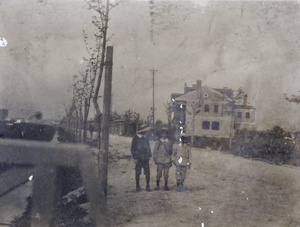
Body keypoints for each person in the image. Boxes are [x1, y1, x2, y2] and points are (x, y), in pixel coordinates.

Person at [131, 123, 152, 192]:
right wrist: (134, 158)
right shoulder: (135, 138)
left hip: (145, 158)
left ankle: (147, 185)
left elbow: (148, 147)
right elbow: (132, 148)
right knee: (138, 172)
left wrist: (149, 155)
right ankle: (137, 186)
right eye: (145, 130)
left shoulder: (145, 138)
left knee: (147, 172)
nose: (146, 132)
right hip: (138, 158)